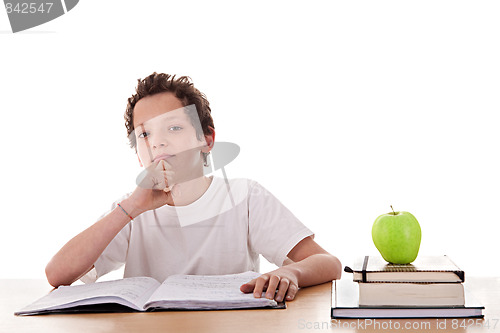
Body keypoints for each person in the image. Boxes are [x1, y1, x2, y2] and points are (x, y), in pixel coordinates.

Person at [45, 73, 342, 303]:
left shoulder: (245, 197)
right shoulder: (131, 208)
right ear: (139, 154)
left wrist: (290, 270)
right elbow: (57, 274)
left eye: (173, 127)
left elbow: (328, 263)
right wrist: (131, 209)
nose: (158, 141)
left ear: (207, 139)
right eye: (145, 134)